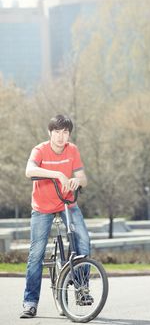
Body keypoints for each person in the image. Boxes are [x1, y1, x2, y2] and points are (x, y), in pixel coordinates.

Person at [20, 114, 90, 319]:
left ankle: (81, 289)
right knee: (36, 254)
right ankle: (30, 302)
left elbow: (83, 177)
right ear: (50, 133)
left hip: (68, 203)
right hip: (42, 207)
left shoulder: (73, 150)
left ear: (69, 134)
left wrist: (78, 181)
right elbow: (29, 170)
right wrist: (58, 175)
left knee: (83, 241)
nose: (61, 136)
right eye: (57, 132)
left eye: (65, 132)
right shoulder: (40, 150)